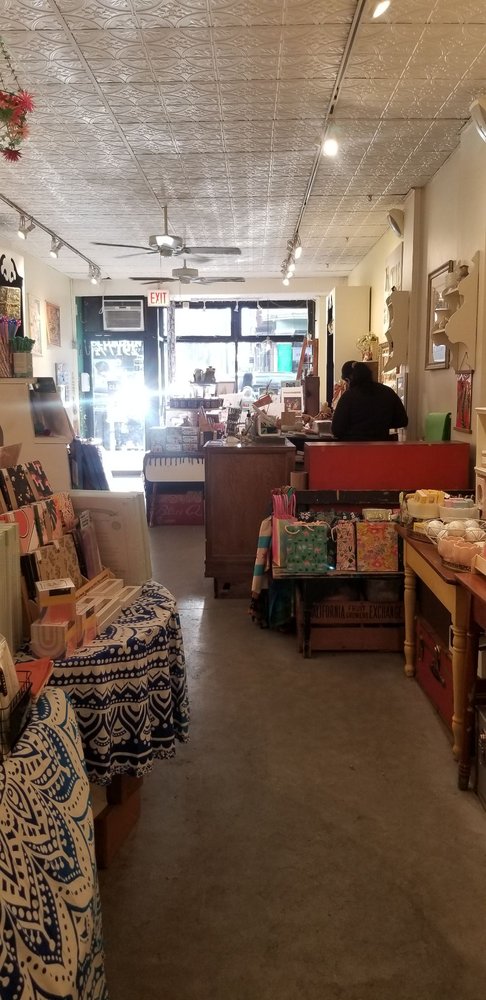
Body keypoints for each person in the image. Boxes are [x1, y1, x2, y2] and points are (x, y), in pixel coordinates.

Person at [331, 361, 408, 441]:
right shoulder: (388, 392)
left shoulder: (348, 397)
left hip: (355, 446)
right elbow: (402, 421)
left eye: (346, 381)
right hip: (381, 445)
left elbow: (336, 430)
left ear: (350, 378)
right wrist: (382, 424)